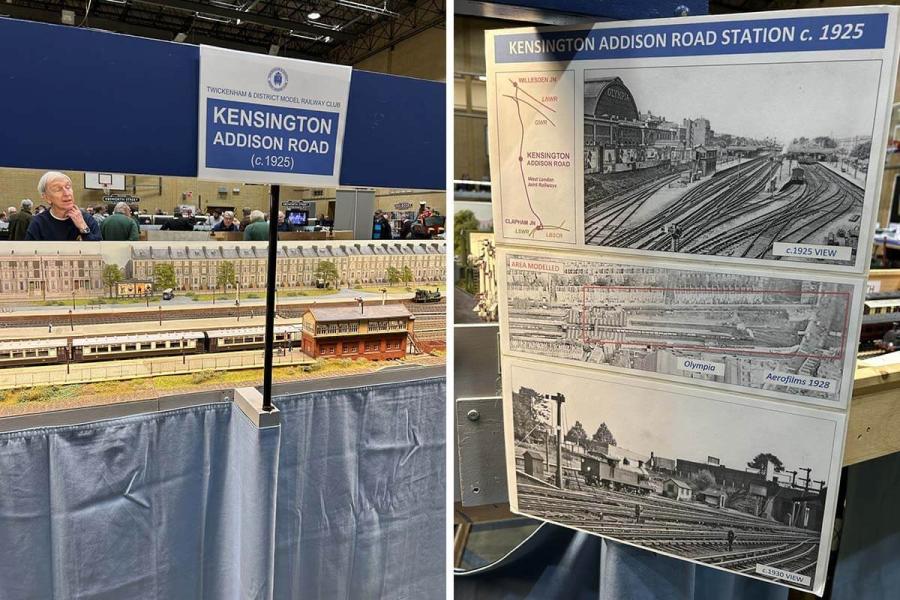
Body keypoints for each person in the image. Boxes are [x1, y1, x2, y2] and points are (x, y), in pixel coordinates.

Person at [25, 171, 100, 241]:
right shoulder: (38, 223)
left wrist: (83, 227)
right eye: (58, 189)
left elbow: (100, 250)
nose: (67, 193)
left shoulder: (87, 219)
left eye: (68, 187)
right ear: (47, 197)